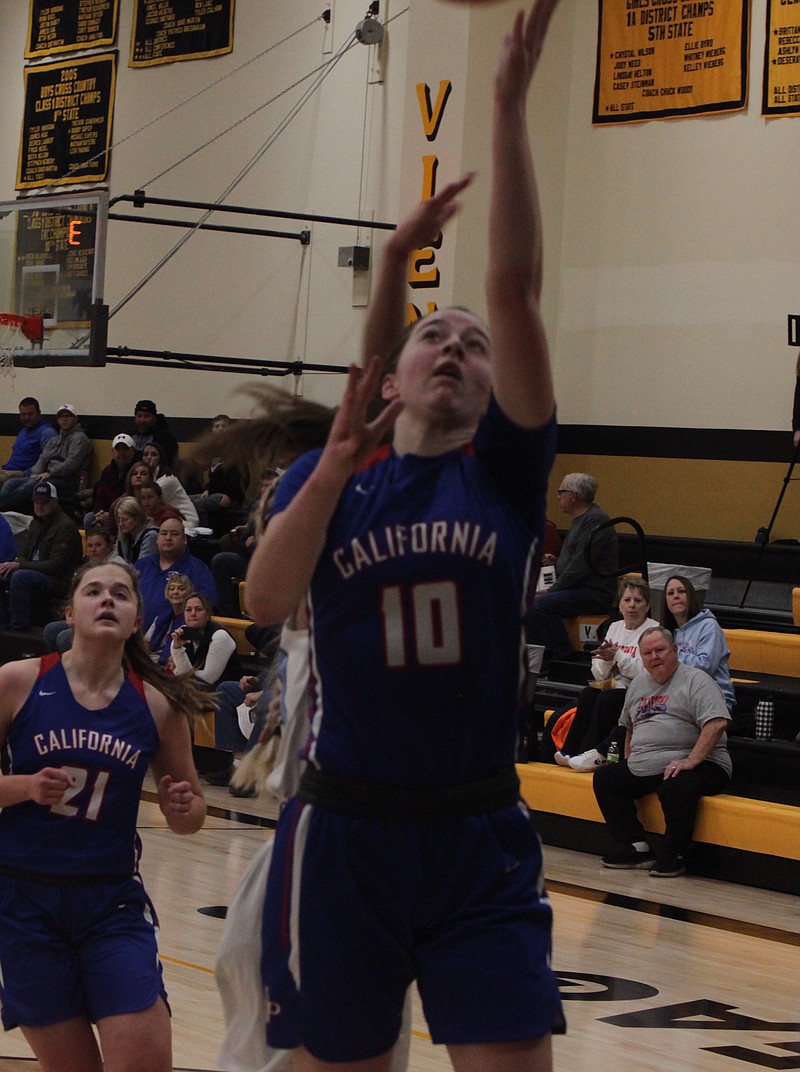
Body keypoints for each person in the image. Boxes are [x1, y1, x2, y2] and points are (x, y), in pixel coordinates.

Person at [245, 3, 564, 1068]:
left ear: (490, 386)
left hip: (477, 829)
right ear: (390, 375)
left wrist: (509, 108)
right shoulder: (335, 474)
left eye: (473, 347)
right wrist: (334, 462)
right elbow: (260, 601)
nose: (460, 345)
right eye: (437, 332)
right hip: (345, 831)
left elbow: (513, 289)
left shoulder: (503, 478)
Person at [0, 560, 207, 1072]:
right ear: (70, 612)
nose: (108, 599)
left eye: (121, 592)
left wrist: (185, 808)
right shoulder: (17, 681)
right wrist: (26, 786)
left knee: (143, 1059)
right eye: (94, 591)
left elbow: (192, 813)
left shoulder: (158, 704)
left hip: (110, 903)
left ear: (137, 618)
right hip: (23, 904)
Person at [593, 625, 732, 878]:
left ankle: (675, 854)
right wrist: (629, 761)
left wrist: (691, 760)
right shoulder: (638, 685)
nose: (654, 656)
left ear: (675, 651)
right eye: (648, 653)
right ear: (642, 658)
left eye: (660, 650)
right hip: (649, 764)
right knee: (607, 778)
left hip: (703, 762)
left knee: (676, 784)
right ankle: (638, 848)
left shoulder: (697, 680)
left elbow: (717, 722)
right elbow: (629, 729)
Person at [554, 576, 659, 770]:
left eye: (638, 601)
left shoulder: (653, 629)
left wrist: (617, 654)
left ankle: (590, 753)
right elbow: (599, 674)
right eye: (627, 600)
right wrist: (606, 660)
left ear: (647, 606)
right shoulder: (614, 627)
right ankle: (570, 751)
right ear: (619, 605)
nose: (632, 606)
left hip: (640, 691)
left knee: (606, 700)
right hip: (613, 684)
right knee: (588, 694)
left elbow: (645, 671)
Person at [525, 472, 618, 660]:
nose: (558, 496)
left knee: (537, 606)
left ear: (573, 496)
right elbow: (575, 560)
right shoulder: (583, 519)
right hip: (577, 588)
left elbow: (579, 567)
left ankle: (563, 656)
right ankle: (543, 656)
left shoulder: (596, 521)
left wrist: (552, 590)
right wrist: (556, 560)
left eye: (561, 491)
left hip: (594, 592)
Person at [0, 482, 84, 633]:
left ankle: (18, 630)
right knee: (4, 573)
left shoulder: (65, 527)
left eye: (44, 502)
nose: (39, 506)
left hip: (58, 581)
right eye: (37, 502)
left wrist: (20, 565)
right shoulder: (35, 523)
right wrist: (17, 563)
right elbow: (23, 553)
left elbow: (56, 566)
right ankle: (3, 627)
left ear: (55, 502)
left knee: (20, 576)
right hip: (34, 573)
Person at [661, 573, 736, 712]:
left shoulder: (709, 626)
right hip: (678, 698)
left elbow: (704, 667)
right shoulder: (667, 633)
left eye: (681, 591)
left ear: (691, 596)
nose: (676, 596)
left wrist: (671, 653)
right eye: (670, 593)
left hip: (713, 699)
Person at [0, 404, 92, 514]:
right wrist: (34, 474)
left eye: (68, 416)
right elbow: (43, 458)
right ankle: (5, 515)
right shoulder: (55, 439)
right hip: (48, 477)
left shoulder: (79, 438)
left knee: (32, 486)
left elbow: (72, 464)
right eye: (61, 417)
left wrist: (50, 474)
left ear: (75, 419)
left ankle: (2, 508)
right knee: (11, 483)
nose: (65, 419)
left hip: (69, 480)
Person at [134, 516, 216, 634]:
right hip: (135, 637)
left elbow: (204, 610)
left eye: (174, 534)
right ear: (157, 539)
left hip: (175, 639)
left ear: (184, 539)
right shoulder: (141, 565)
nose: (168, 538)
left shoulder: (198, 569)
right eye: (163, 533)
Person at [187, 414, 250, 535]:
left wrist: (231, 496)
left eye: (224, 426)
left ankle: (204, 535)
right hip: (215, 493)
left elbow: (243, 478)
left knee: (199, 504)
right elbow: (215, 478)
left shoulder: (236, 450)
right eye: (217, 426)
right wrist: (208, 490)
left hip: (230, 496)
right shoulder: (213, 451)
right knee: (187, 500)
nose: (220, 429)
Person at [84, 432, 139, 532]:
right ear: (112, 451)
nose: (121, 453)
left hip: (127, 512)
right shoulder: (107, 471)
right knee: (89, 518)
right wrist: (99, 513)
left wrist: (111, 516)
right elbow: (99, 496)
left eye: (125, 449)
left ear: (133, 451)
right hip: (106, 512)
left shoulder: (137, 471)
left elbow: (132, 499)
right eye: (118, 450)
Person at [141, 441, 199, 533]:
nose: (149, 457)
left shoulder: (166, 480)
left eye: (153, 454)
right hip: (167, 519)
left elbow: (150, 507)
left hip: (186, 521)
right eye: (145, 454)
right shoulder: (151, 477)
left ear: (160, 458)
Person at [0, 397, 56, 487]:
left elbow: (49, 462)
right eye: (23, 414)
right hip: (7, 469)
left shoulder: (47, 432)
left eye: (30, 414)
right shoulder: (23, 431)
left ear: (39, 413)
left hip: (23, 474)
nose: (26, 418)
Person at [144, 573, 194, 667]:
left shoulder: (190, 620)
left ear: (188, 593)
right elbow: (146, 642)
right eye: (172, 589)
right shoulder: (161, 617)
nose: (175, 592)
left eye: (181, 589)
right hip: (150, 663)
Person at [130, 399, 179, 467]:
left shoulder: (166, 438)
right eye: (139, 416)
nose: (142, 420)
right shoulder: (129, 435)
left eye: (147, 416)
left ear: (155, 418)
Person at [114, 495, 158, 565]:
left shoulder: (150, 536)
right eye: (119, 520)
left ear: (137, 518)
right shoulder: (123, 537)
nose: (121, 523)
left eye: (125, 519)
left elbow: (143, 566)